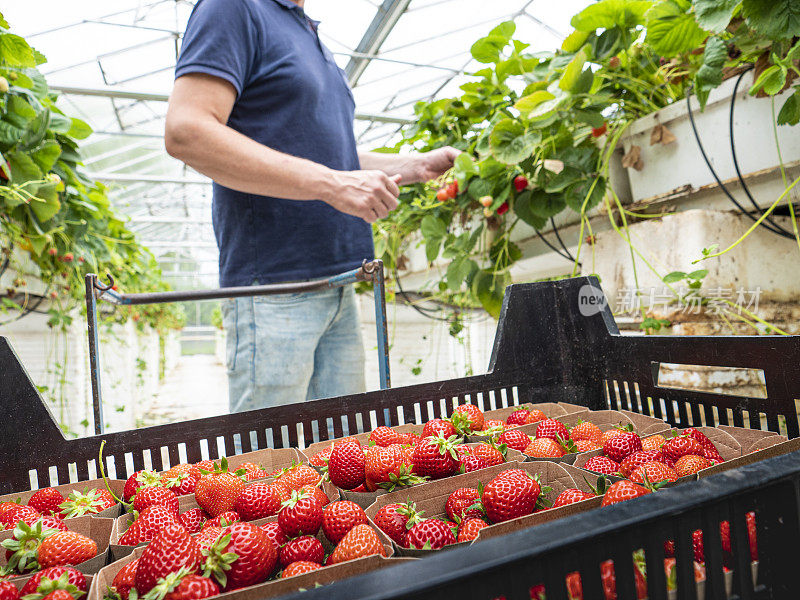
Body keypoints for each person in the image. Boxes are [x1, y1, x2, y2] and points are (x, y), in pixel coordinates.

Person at [165, 0, 458, 414]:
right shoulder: (236, 8)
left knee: (346, 459)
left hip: (339, 283)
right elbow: (186, 132)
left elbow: (329, 156)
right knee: (269, 466)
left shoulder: (304, 30)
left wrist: (414, 166)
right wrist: (333, 184)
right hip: (274, 289)